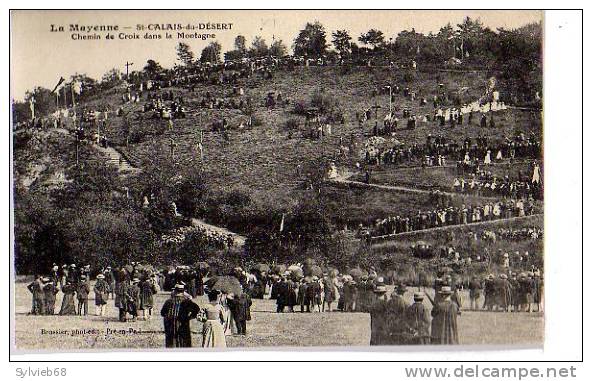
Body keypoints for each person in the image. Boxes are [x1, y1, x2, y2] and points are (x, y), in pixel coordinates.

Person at [368, 278, 391, 345]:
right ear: (384, 293)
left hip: (374, 324)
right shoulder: (386, 303)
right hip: (383, 325)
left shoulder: (373, 303)